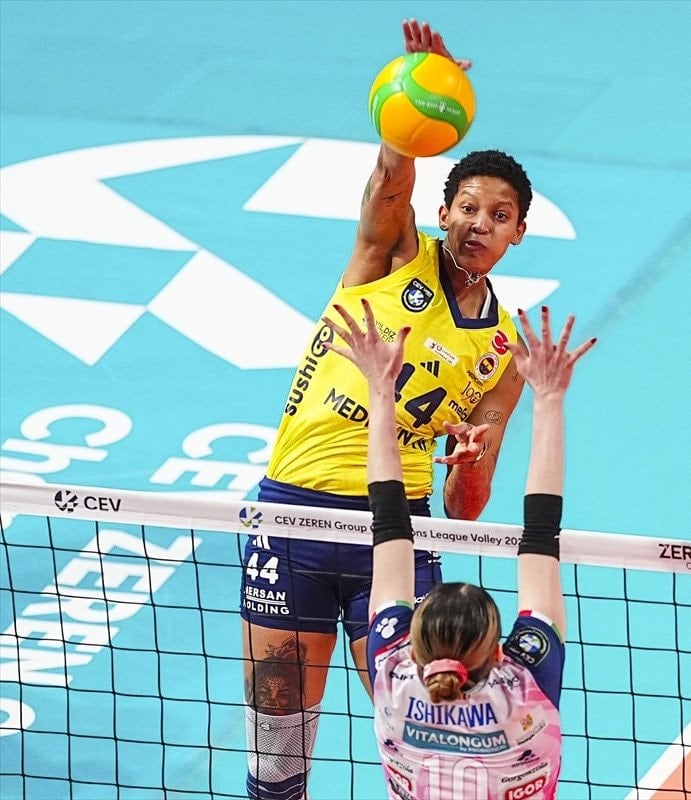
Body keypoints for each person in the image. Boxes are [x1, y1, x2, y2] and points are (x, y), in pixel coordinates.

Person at [240, 20, 536, 799]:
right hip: (294, 516)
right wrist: (413, 106)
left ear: (518, 232)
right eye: (467, 207)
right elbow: (388, 181)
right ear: (445, 211)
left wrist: (470, 463)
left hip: (396, 535)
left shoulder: (503, 352)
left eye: (498, 214)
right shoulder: (393, 254)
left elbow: (466, 508)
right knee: (276, 757)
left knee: (426, 749)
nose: (479, 224)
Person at [321, 300, 591, 798]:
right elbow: (391, 522)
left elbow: (388, 521)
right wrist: (548, 398)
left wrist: (379, 389)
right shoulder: (522, 686)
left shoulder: (394, 676)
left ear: (414, 642)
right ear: (499, 651)